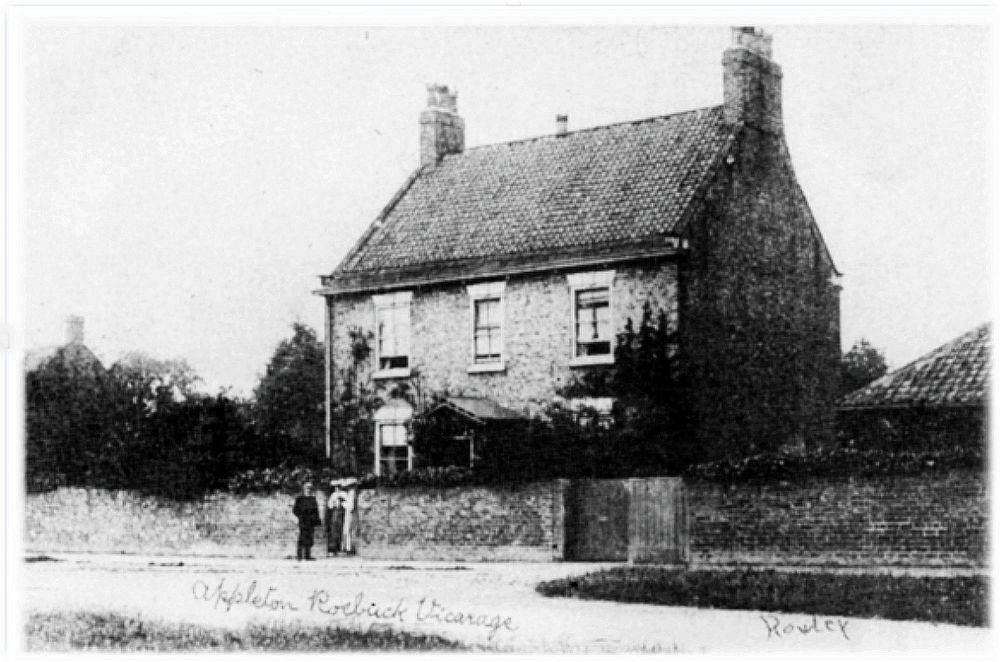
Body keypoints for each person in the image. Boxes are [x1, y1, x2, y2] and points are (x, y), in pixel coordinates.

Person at [292, 482, 321, 561]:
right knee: (302, 537)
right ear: (304, 489)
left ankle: (307, 556)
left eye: (310, 488)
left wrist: (316, 520)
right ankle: (299, 556)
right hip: (303, 520)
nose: (308, 490)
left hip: (310, 521)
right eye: (307, 488)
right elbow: (295, 510)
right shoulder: (300, 499)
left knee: (309, 538)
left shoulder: (313, 499)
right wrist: (300, 516)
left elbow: (316, 511)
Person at [326, 481, 345, 556]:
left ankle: (340, 547)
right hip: (335, 512)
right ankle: (333, 548)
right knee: (334, 529)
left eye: (338, 487)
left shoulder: (344, 494)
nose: (337, 488)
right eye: (336, 487)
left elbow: (348, 502)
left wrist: (342, 503)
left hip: (342, 512)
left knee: (341, 530)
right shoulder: (333, 495)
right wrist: (333, 504)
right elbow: (329, 504)